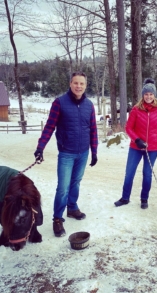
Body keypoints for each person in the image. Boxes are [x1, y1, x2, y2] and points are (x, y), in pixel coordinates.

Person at [34, 72, 98, 237]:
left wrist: (94, 151)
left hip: (83, 152)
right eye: (76, 83)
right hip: (66, 153)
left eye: (82, 84)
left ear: (85, 85)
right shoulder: (59, 103)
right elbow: (49, 127)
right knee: (63, 188)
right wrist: (40, 147)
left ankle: (72, 207)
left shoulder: (89, 105)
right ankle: (57, 219)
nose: (79, 86)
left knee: (76, 182)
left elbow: (93, 130)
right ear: (70, 84)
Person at [114, 78, 157, 209]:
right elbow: (128, 128)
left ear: (154, 95)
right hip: (136, 148)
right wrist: (137, 139)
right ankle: (125, 197)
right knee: (129, 173)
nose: (148, 97)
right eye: (146, 94)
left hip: (153, 148)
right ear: (143, 95)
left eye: (151, 94)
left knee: (147, 174)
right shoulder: (136, 109)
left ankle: (144, 199)